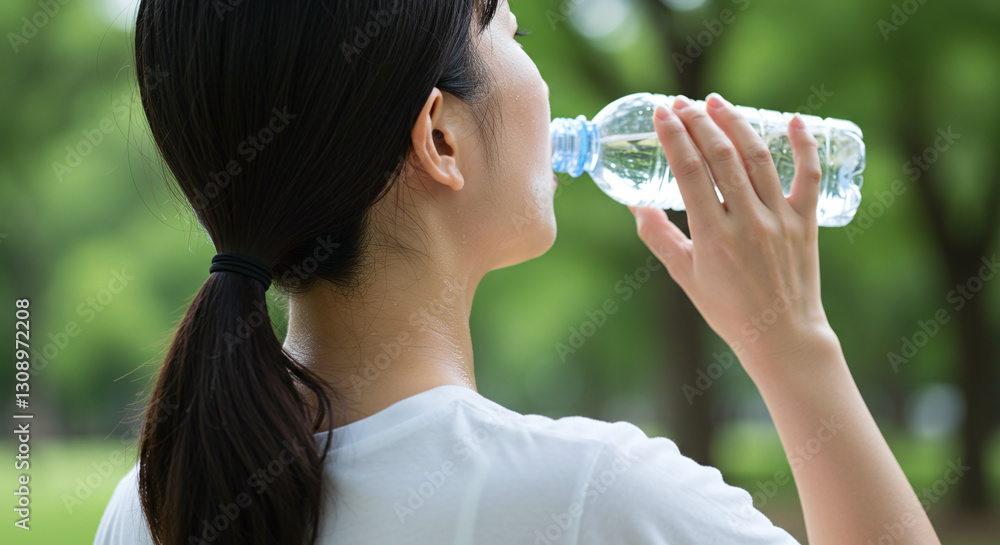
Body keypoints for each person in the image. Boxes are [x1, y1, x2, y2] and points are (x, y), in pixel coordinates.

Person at [95, 0, 941, 544]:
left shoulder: (149, 508)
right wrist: (794, 342)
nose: (541, 79)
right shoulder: (600, 498)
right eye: (511, 32)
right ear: (441, 138)